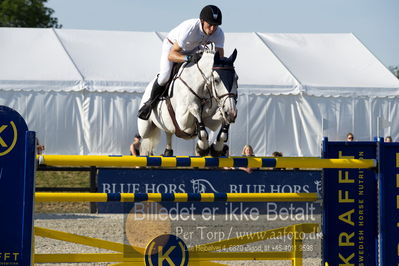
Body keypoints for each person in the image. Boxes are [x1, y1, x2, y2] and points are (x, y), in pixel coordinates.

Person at [138, 5, 225, 120]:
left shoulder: (219, 33)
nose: (213, 29)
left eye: (216, 25)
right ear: (202, 21)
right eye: (210, 25)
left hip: (194, 48)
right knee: (164, 77)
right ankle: (149, 104)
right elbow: (172, 55)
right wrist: (189, 58)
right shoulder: (190, 29)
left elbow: (219, 59)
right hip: (171, 46)